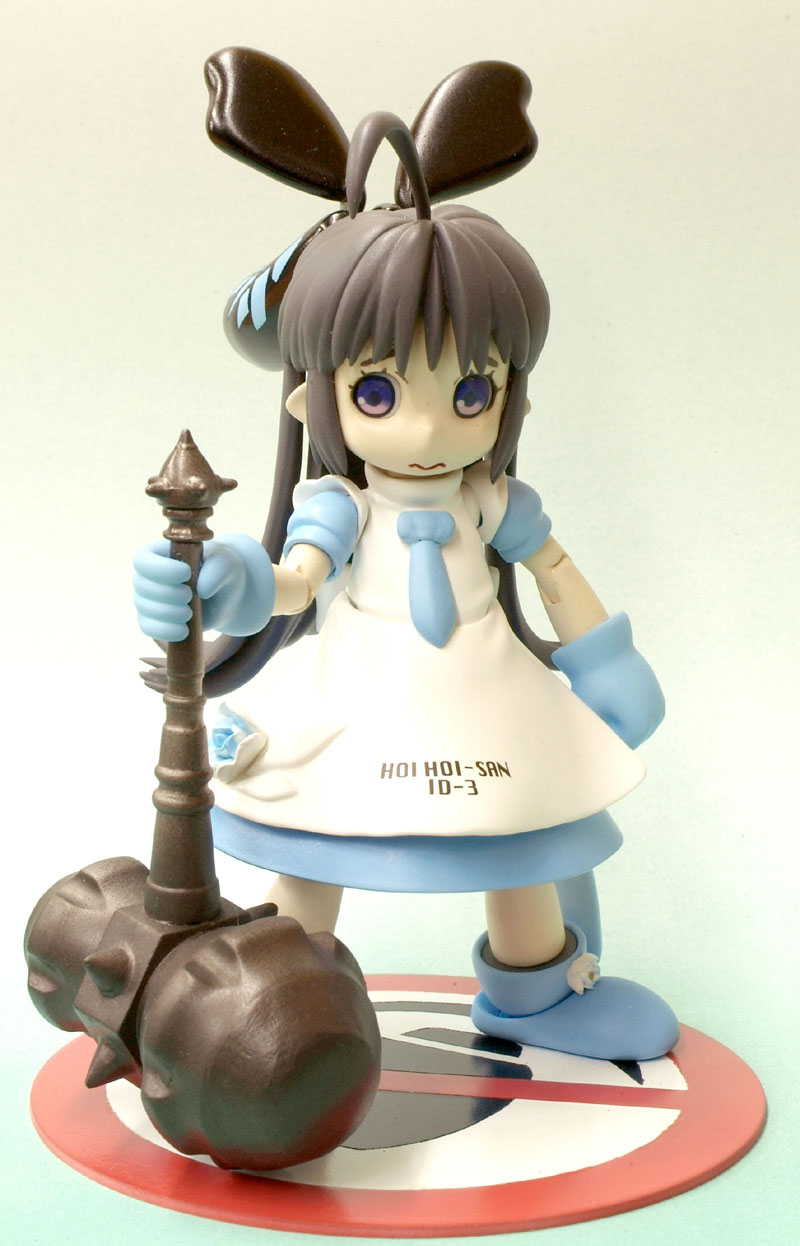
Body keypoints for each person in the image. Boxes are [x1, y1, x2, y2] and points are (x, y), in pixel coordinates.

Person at [135, 62, 678, 1061]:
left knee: (522, 832)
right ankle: (273, 1003)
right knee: (316, 849)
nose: (429, 430)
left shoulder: (492, 502)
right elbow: (295, 581)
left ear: (509, 393)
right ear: (312, 397)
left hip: (488, 698)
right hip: (363, 700)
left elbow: (553, 569)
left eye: (469, 393)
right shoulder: (339, 505)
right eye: (379, 394)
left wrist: (606, 662)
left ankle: (534, 993)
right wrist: (232, 582)